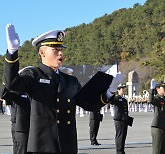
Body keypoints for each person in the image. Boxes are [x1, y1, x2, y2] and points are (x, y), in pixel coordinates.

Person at [4, 23, 122, 154]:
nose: (61, 53)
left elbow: (89, 104)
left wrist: (109, 91)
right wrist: (12, 52)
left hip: (67, 147)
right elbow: (12, 84)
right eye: (55, 50)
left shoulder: (70, 81)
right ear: (42, 52)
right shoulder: (34, 76)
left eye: (61, 48)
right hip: (42, 147)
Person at [0, 86, 30, 154]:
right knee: (20, 149)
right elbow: (3, 94)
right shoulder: (17, 91)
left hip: (32, 126)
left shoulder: (34, 91)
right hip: (19, 126)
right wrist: (8, 83)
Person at [149, 79, 165, 154]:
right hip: (157, 127)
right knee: (157, 151)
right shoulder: (157, 98)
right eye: (164, 87)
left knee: (163, 150)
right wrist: (151, 90)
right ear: (157, 89)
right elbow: (151, 100)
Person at [111, 84, 129, 154]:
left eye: (123, 88)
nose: (123, 90)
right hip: (119, 119)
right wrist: (112, 92)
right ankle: (119, 151)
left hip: (124, 119)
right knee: (120, 136)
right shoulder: (116, 98)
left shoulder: (124, 99)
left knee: (124, 136)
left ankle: (122, 150)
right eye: (121, 89)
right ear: (118, 90)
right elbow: (111, 101)